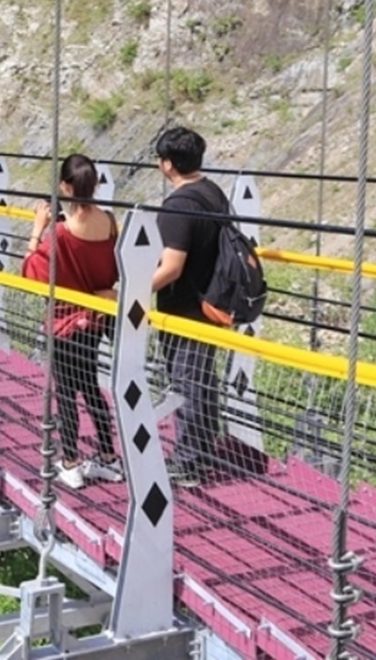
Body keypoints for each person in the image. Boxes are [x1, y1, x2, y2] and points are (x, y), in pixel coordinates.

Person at [23, 154, 122, 490]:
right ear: (94, 185)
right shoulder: (109, 222)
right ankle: (108, 457)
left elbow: (33, 273)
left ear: (65, 186)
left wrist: (38, 228)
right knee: (91, 385)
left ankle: (71, 462)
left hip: (64, 321)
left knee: (66, 392)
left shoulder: (61, 233)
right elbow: (114, 268)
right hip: (94, 318)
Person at [151, 125, 229, 488]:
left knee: (187, 383)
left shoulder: (178, 206)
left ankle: (187, 463)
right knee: (202, 380)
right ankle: (202, 452)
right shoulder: (213, 193)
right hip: (214, 301)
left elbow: (172, 267)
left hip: (184, 308)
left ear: (167, 165)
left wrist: (130, 292)